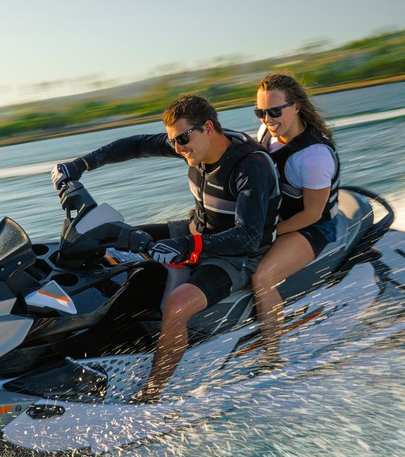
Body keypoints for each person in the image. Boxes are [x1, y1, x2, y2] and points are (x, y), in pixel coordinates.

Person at [51, 95, 278, 402]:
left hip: (235, 255)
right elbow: (136, 145)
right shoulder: (192, 144)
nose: (178, 148)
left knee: (176, 305)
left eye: (182, 139)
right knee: (110, 240)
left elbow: (248, 237)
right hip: (195, 231)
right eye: (173, 141)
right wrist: (82, 164)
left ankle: (151, 394)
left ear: (208, 128)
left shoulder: (250, 165)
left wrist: (186, 246)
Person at [251, 72, 341, 361]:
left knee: (262, 277)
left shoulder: (313, 157)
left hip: (313, 226)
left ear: (296, 107)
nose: (267, 118)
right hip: (277, 218)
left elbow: (313, 213)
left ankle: (271, 357)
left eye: (274, 111)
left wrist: (270, 232)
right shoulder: (267, 133)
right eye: (260, 112)